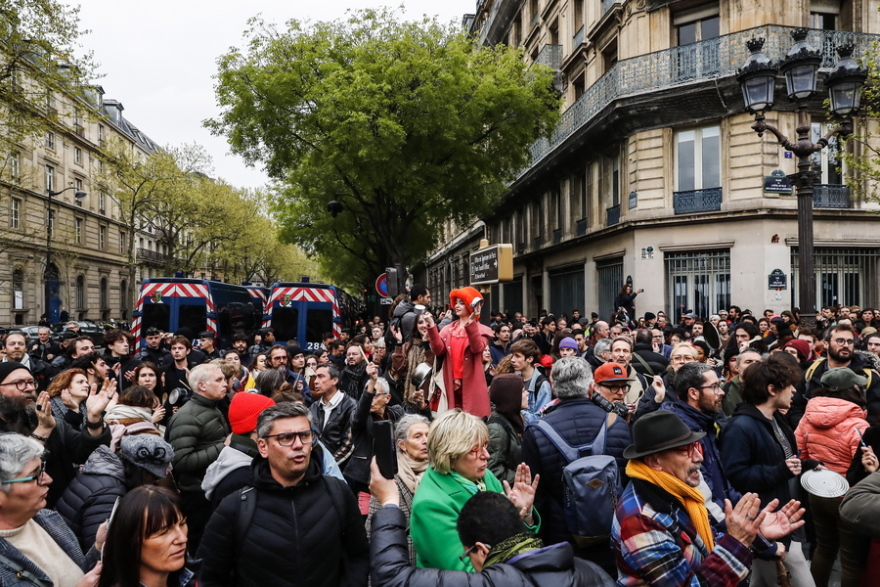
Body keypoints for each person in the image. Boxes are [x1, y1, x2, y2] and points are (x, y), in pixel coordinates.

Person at [612, 411, 806, 586]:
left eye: (696, 446)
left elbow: (705, 545)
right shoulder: (641, 520)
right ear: (655, 461)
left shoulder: (672, 489)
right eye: (685, 450)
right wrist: (738, 540)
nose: (699, 457)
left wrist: (752, 533)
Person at [198, 402, 370, 587]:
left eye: (305, 436)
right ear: (263, 447)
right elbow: (208, 575)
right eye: (286, 438)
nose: (299, 445)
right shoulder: (235, 507)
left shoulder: (337, 492)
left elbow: (359, 556)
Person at [369, 463, 614, 587]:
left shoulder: (493, 582)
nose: (485, 456)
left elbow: (392, 578)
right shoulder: (592, 572)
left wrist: (389, 503)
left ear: (482, 549)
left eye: (467, 553)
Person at [521, 357, 631, 573]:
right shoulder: (617, 424)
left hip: (563, 546)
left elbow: (536, 497)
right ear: (591, 387)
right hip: (614, 539)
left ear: (553, 387)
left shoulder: (537, 432)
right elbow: (628, 483)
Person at [720, 352, 819, 586]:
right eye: (789, 386)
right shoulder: (740, 426)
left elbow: (782, 460)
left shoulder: (776, 419)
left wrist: (806, 465)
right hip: (763, 521)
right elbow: (736, 476)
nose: (794, 391)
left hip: (779, 518)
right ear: (772, 389)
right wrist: (780, 470)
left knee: (761, 580)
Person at [410, 409, 539, 571]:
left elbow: (519, 543)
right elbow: (467, 571)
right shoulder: (430, 505)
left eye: (485, 445)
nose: (486, 455)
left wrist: (522, 514)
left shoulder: (485, 476)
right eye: (474, 450)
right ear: (450, 455)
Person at [794, 367, 870, 586]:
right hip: (847, 495)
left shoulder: (808, 417)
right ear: (849, 390)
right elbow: (862, 468)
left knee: (824, 548)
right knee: (850, 560)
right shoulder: (858, 425)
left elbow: (800, 454)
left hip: (817, 490)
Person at [0, 362, 114, 506]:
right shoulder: (45, 423)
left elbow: (87, 453)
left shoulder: (46, 418)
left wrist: (94, 419)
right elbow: (14, 469)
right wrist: (43, 430)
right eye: (19, 383)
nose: (29, 388)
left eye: (31, 382)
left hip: (66, 505)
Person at [0, 433, 103, 587]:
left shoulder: (47, 518)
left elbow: (78, 573)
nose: (48, 479)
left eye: (42, 469)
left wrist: (98, 547)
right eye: (34, 476)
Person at [55, 435, 174, 553]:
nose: (153, 484)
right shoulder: (110, 494)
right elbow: (100, 551)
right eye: (154, 478)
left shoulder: (106, 474)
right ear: (141, 472)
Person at [165, 363, 231, 555]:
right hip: (197, 494)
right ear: (202, 386)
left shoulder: (212, 407)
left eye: (224, 379)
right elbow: (181, 461)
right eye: (219, 380)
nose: (225, 384)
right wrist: (223, 447)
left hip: (210, 488)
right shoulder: (188, 416)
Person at [97, 485, 194, 587]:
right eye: (164, 532)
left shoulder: (194, 578)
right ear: (130, 542)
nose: (183, 538)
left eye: (182, 523)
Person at [365, 414, 430, 565]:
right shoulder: (389, 477)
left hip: (431, 561)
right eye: (418, 436)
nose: (425, 441)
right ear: (402, 444)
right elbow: (373, 531)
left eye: (428, 435)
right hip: (400, 560)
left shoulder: (439, 472)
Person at [427, 287, 494, 418]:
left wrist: (471, 322)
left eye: (462, 303)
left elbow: (477, 348)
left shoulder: (481, 329)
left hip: (472, 385)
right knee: (452, 422)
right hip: (449, 383)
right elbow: (438, 351)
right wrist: (431, 326)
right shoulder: (448, 329)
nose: (456, 306)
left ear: (471, 305)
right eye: (456, 302)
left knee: (472, 422)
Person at [309, 362, 356, 469]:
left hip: (339, 469)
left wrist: (327, 467)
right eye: (315, 377)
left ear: (334, 380)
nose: (315, 381)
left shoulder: (351, 407)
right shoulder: (314, 407)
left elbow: (348, 446)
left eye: (321, 377)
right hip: (315, 465)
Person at [486, 374, 527, 486]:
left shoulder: (514, 420)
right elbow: (494, 471)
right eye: (523, 391)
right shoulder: (496, 429)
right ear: (511, 396)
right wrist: (522, 478)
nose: (527, 393)